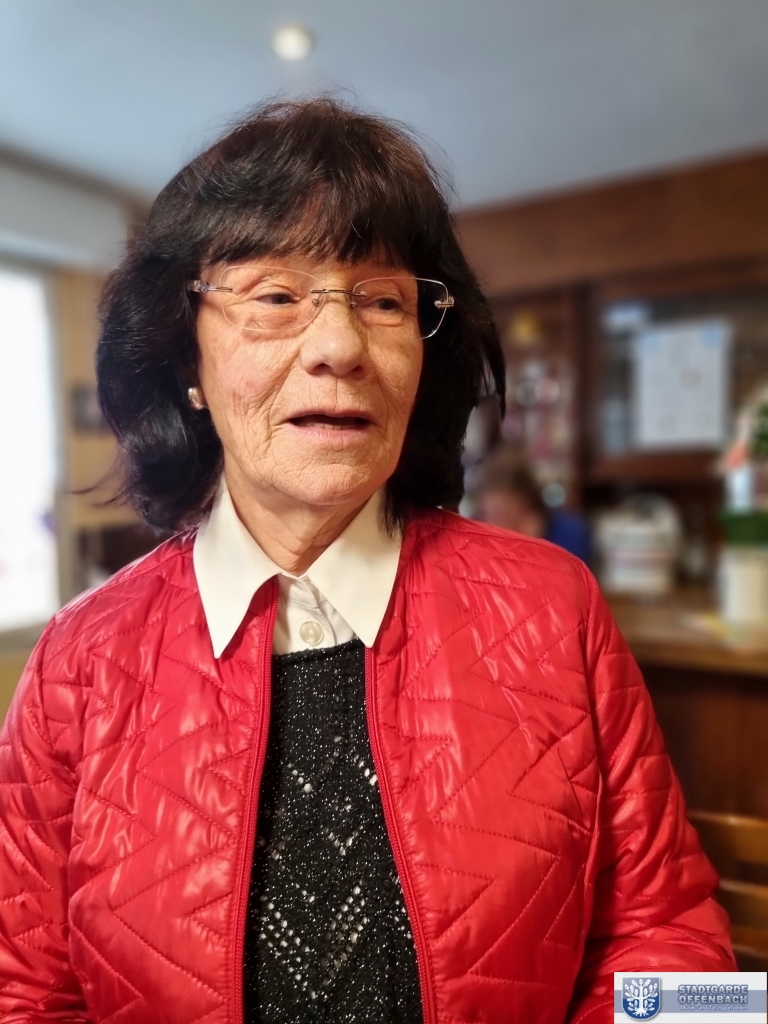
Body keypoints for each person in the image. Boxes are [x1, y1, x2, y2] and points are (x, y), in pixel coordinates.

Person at [0, 99, 733, 1024]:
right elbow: (24, 991)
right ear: (186, 357)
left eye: (383, 301)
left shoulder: (557, 606)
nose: (341, 346)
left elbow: (679, 944)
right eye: (276, 297)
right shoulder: (77, 663)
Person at [476, 445, 591, 562]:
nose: (493, 523)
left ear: (525, 503)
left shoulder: (569, 534)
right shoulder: (479, 542)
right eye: (487, 514)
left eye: (501, 513)